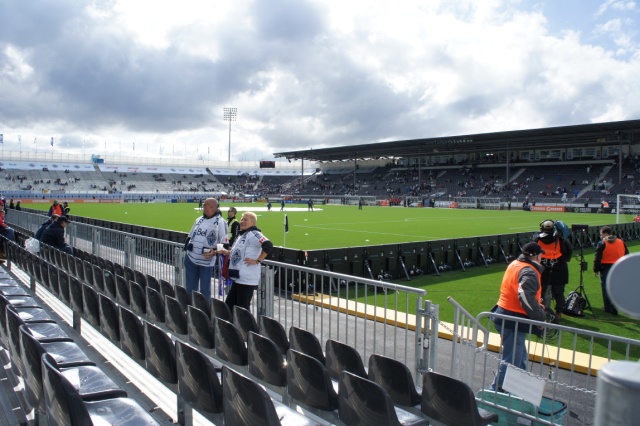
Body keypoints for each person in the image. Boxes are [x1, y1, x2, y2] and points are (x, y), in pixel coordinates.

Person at [490, 242, 546, 392]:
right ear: (536, 256)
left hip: (504, 314)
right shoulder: (529, 270)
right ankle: (494, 393)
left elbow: (520, 294)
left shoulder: (515, 263)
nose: (542, 256)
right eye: (541, 254)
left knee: (519, 358)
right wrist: (540, 318)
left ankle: (516, 391)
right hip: (512, 319)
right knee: (512, 361)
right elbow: (524, 296)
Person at [220, 212, 273, 313]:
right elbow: (238, 253)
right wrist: (226, 252)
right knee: (229, 307)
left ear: (253, 223)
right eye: (242, 219)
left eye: (246, 220)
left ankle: (245, 328)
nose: (242, 222)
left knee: (242, 309)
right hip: (237, 277)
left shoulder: (254, 234)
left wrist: (257, 260)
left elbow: (268, 245)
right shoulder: (243, 235)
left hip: (246, 278)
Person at [183, 197, 227, 301]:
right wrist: (186, 251)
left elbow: (225, 243)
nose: (203, 207)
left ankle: (205, 314)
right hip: (191, 259)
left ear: (212, 207)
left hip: (206, 263)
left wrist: (214, 252)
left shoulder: (221, 222)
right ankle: (190, 310)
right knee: (189, 290)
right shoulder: (199, 220)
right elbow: (189, 236)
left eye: (205, 205)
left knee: (204, 291)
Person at [533, 220, 572, 320]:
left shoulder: (537, 238)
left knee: (542, 291)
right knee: (559, 293)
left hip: (543, 268)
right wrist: (565, 260)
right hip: (559, 269)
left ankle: (543, 310)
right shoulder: (561, 239)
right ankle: (558, 313)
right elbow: (569, 250)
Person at [593, 226, 629, 315]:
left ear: (605, 234)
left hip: (606, 268)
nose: (600, 236)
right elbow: (626, 254)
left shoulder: (602, 243)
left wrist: (596, 269)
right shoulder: (621, 242)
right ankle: (615, 308)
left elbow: (597, 258)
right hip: (618, 268)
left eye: (601, 234)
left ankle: (607, 307)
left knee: (606, 288)